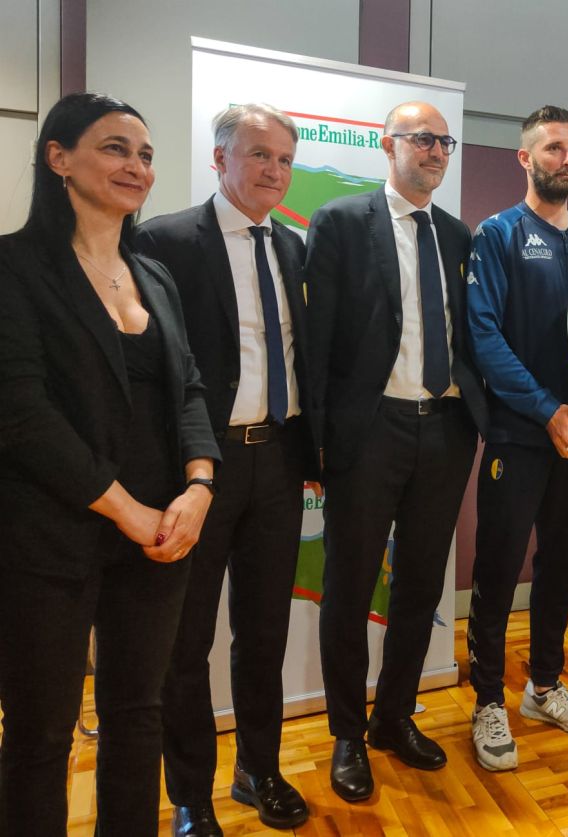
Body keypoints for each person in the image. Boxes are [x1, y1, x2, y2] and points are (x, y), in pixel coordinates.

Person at [0, 92, 220, 837]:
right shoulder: (14, 267)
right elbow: (22, 414)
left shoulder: (153, 273)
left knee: (138, 714)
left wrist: (199, 485)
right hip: (49, 536)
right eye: (116, 148)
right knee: (40, 733)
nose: (137, 166)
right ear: (58, 158)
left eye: (146, 154)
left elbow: (189, 387)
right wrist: (126, 509)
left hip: (159, 533)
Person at [134, 103, 316, 835]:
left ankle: (258, 770)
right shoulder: (164, 240)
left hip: (279, 461)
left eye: (285, 159)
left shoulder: (295, 247)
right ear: (219, 159)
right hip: (199, 470)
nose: (275, 170)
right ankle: (191, 796)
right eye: (259, 155)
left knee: (264, 633)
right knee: (186, 645)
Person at [306, 101, 486, 799]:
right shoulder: (342, 222)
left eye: (445, 141)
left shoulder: (457, 234)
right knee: (350, 587)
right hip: (369, 430)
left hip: (444, 428)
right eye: (423, 139)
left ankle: (394, 716)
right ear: (389, 146)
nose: (437, 150)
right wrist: (317, 445)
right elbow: (317, 341)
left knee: (419, 584)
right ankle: (348, 734)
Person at [465, 105, 568, 771]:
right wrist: (546, 409)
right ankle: (487, 700)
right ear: (525, 158)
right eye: (553, 148)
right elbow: (483, 337)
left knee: (560, 565)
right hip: (520, 436)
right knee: (498, 570)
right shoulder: (497, 234)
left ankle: (544, 686)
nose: (566, 159)